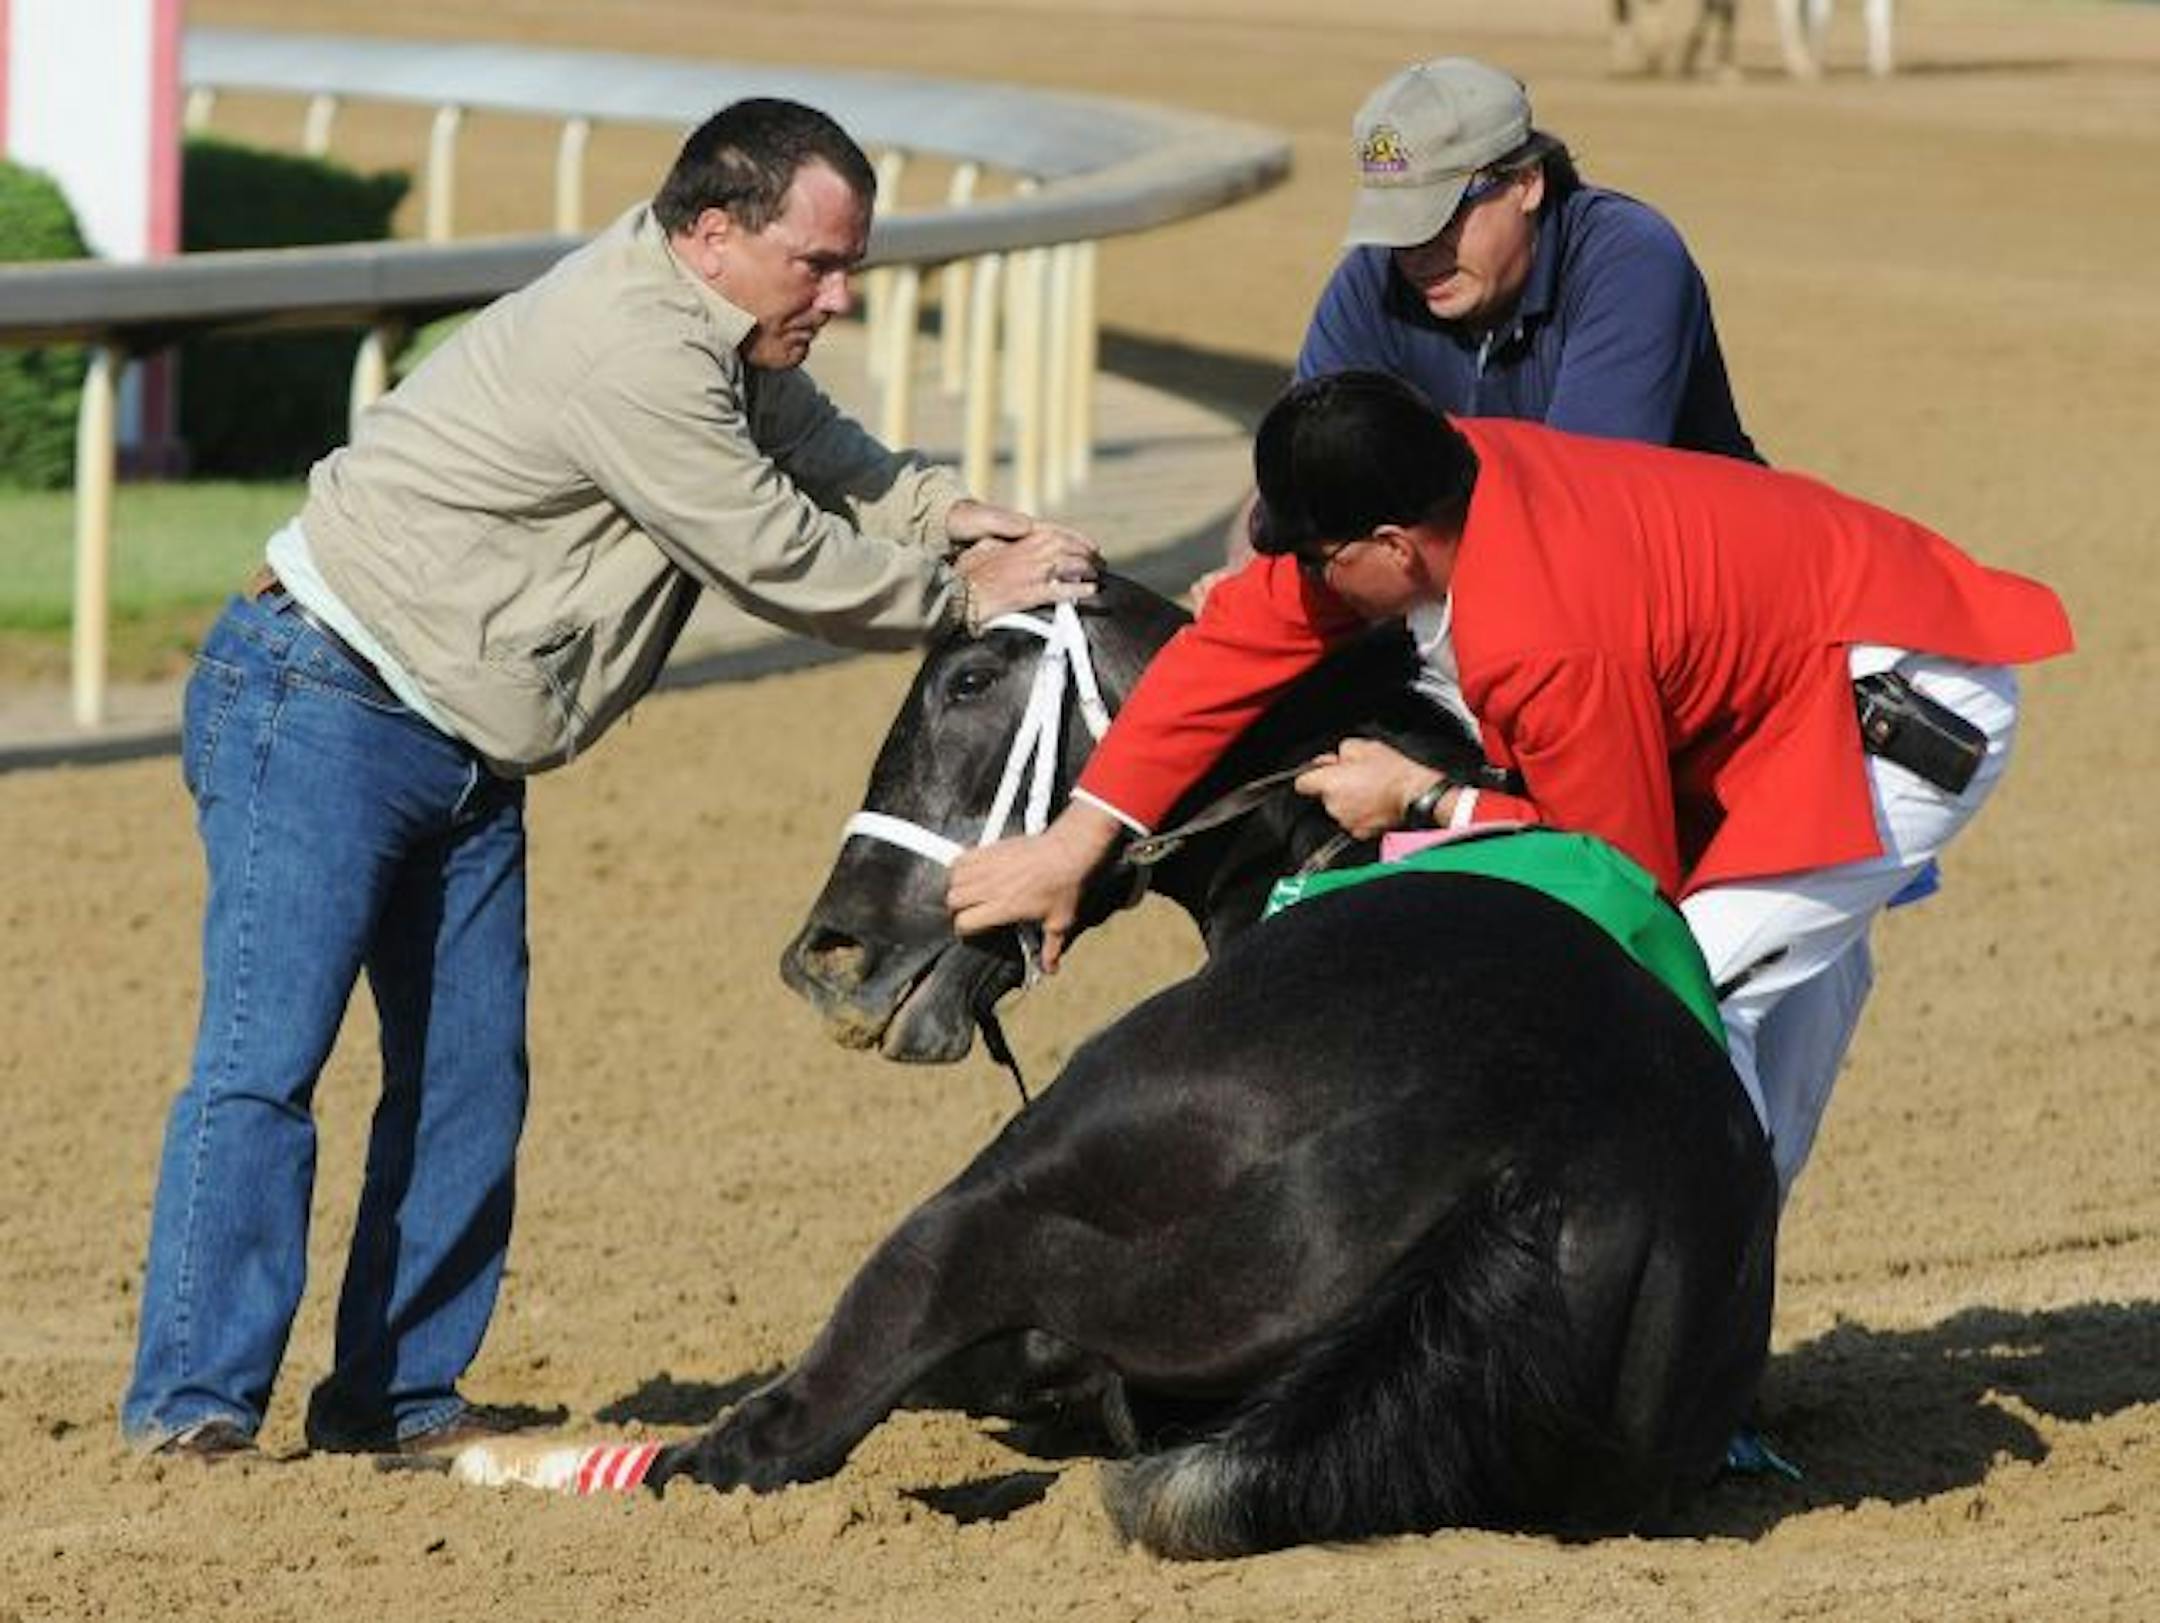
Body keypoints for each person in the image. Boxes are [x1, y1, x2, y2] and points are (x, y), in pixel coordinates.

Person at [122, 97, 1101, 1463]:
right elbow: (771, 548)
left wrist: (950, 512)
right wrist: (957, 587)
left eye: (850, 268)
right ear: (712, 234)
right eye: (817, 264)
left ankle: (395, 1403)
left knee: (469, 1075)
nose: (837, 295)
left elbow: (829, 455)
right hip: (321, 693)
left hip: (462, 731)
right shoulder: (633, 349)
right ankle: (194, 1410)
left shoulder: (726, 332)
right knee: (266, 1061)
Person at [949, 371, 2071, 1207]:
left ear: (1392, 544)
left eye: (1321, 556)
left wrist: (1426, 801)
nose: (1304, 579)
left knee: (1663, 998)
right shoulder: (1446, 474)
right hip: (1789, 686)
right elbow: (1229, 648)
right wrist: (1076, 844)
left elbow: (1621, 876)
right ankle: (1713, 1325)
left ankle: (1690, 1347)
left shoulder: (1544, 634)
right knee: (1728, 991)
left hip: (1893, 708)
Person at [1217, 55, 1756, 576]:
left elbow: (1577, 506)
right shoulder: (1375, 275)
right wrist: (1245, 572)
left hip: (1706, 593)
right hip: (1507, 585)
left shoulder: (1630, 258)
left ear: (1525, 182)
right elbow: (1297, 472)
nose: (1419, 250)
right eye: (1398, 227)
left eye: (1442, 217)